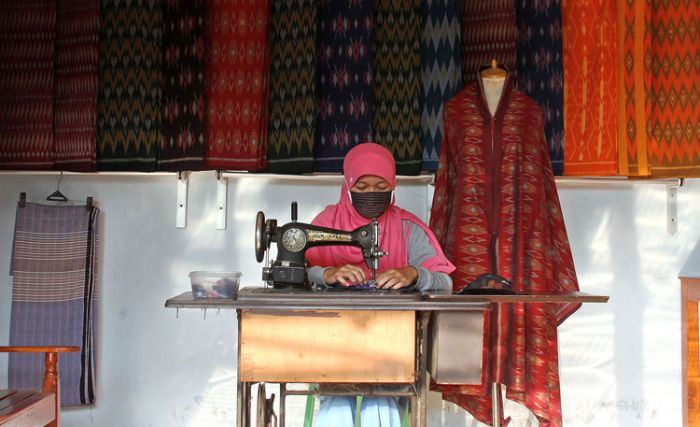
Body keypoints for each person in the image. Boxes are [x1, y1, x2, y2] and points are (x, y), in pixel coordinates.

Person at [305, 142, 455, 426]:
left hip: (391, 345)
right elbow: (299, 273)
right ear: (347, 185)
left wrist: (415, 274)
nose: (372, 193)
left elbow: (445, 282)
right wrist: (326, 274)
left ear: (393, 185)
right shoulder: (325, 224)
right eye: (362, 187)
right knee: (338, 397)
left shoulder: (408, 229)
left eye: (380, 185)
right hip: (332, 342)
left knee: (382, 398)